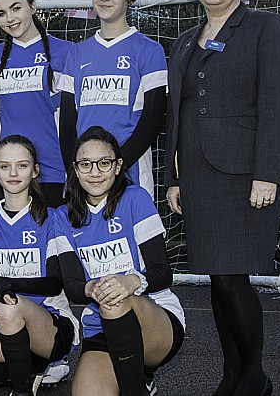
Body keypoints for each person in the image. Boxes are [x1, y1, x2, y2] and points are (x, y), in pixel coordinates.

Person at [166, 0, 280, 396]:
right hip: (196, 175)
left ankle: (254, 377)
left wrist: (268, 173)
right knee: (217, 278)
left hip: (242, 175)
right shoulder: (182, 41)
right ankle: (231, 375)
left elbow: (276, 105)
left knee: (233, 278)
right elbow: (176, 115)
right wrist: (174, 179)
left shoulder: (265, 27)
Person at [55, 126, 185, 396]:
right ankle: (138, 376)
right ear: (75, 169)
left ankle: (136, 383)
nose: (95, 172)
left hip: (155, 317)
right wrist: (90, 289)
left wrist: (132, 281)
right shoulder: (63, 217)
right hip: (99, 327)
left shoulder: (135, 199)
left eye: (104, 163)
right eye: (86, 164)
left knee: (114, 297)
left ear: (118, 166)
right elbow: (72, 285)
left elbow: (163, 272)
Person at [0, 135, 79, 396]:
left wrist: (9, 285)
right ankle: (29, 370)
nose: (13, 173)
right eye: (5, 166)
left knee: (7, 304)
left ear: (35, 171)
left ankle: (23, 389)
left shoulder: (52, 218)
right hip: (4, 328)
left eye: (22, 165)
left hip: (51, 326)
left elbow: (55, 282)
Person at [59, 0, 167, 197]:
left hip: (130, 173)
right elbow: (67, 122)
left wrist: (116, 167)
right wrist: (77, 169)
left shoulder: (149, 50)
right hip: (85, 177)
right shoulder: (77, 54)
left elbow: (153, 120)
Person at [0, 0, 73, 210]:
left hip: (56, 172)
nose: (10, 18)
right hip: (11, 175)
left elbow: (75, 119)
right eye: (1, 13)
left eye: (16, 8)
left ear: (32, 6)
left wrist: (74, 171)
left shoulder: (66, 52)